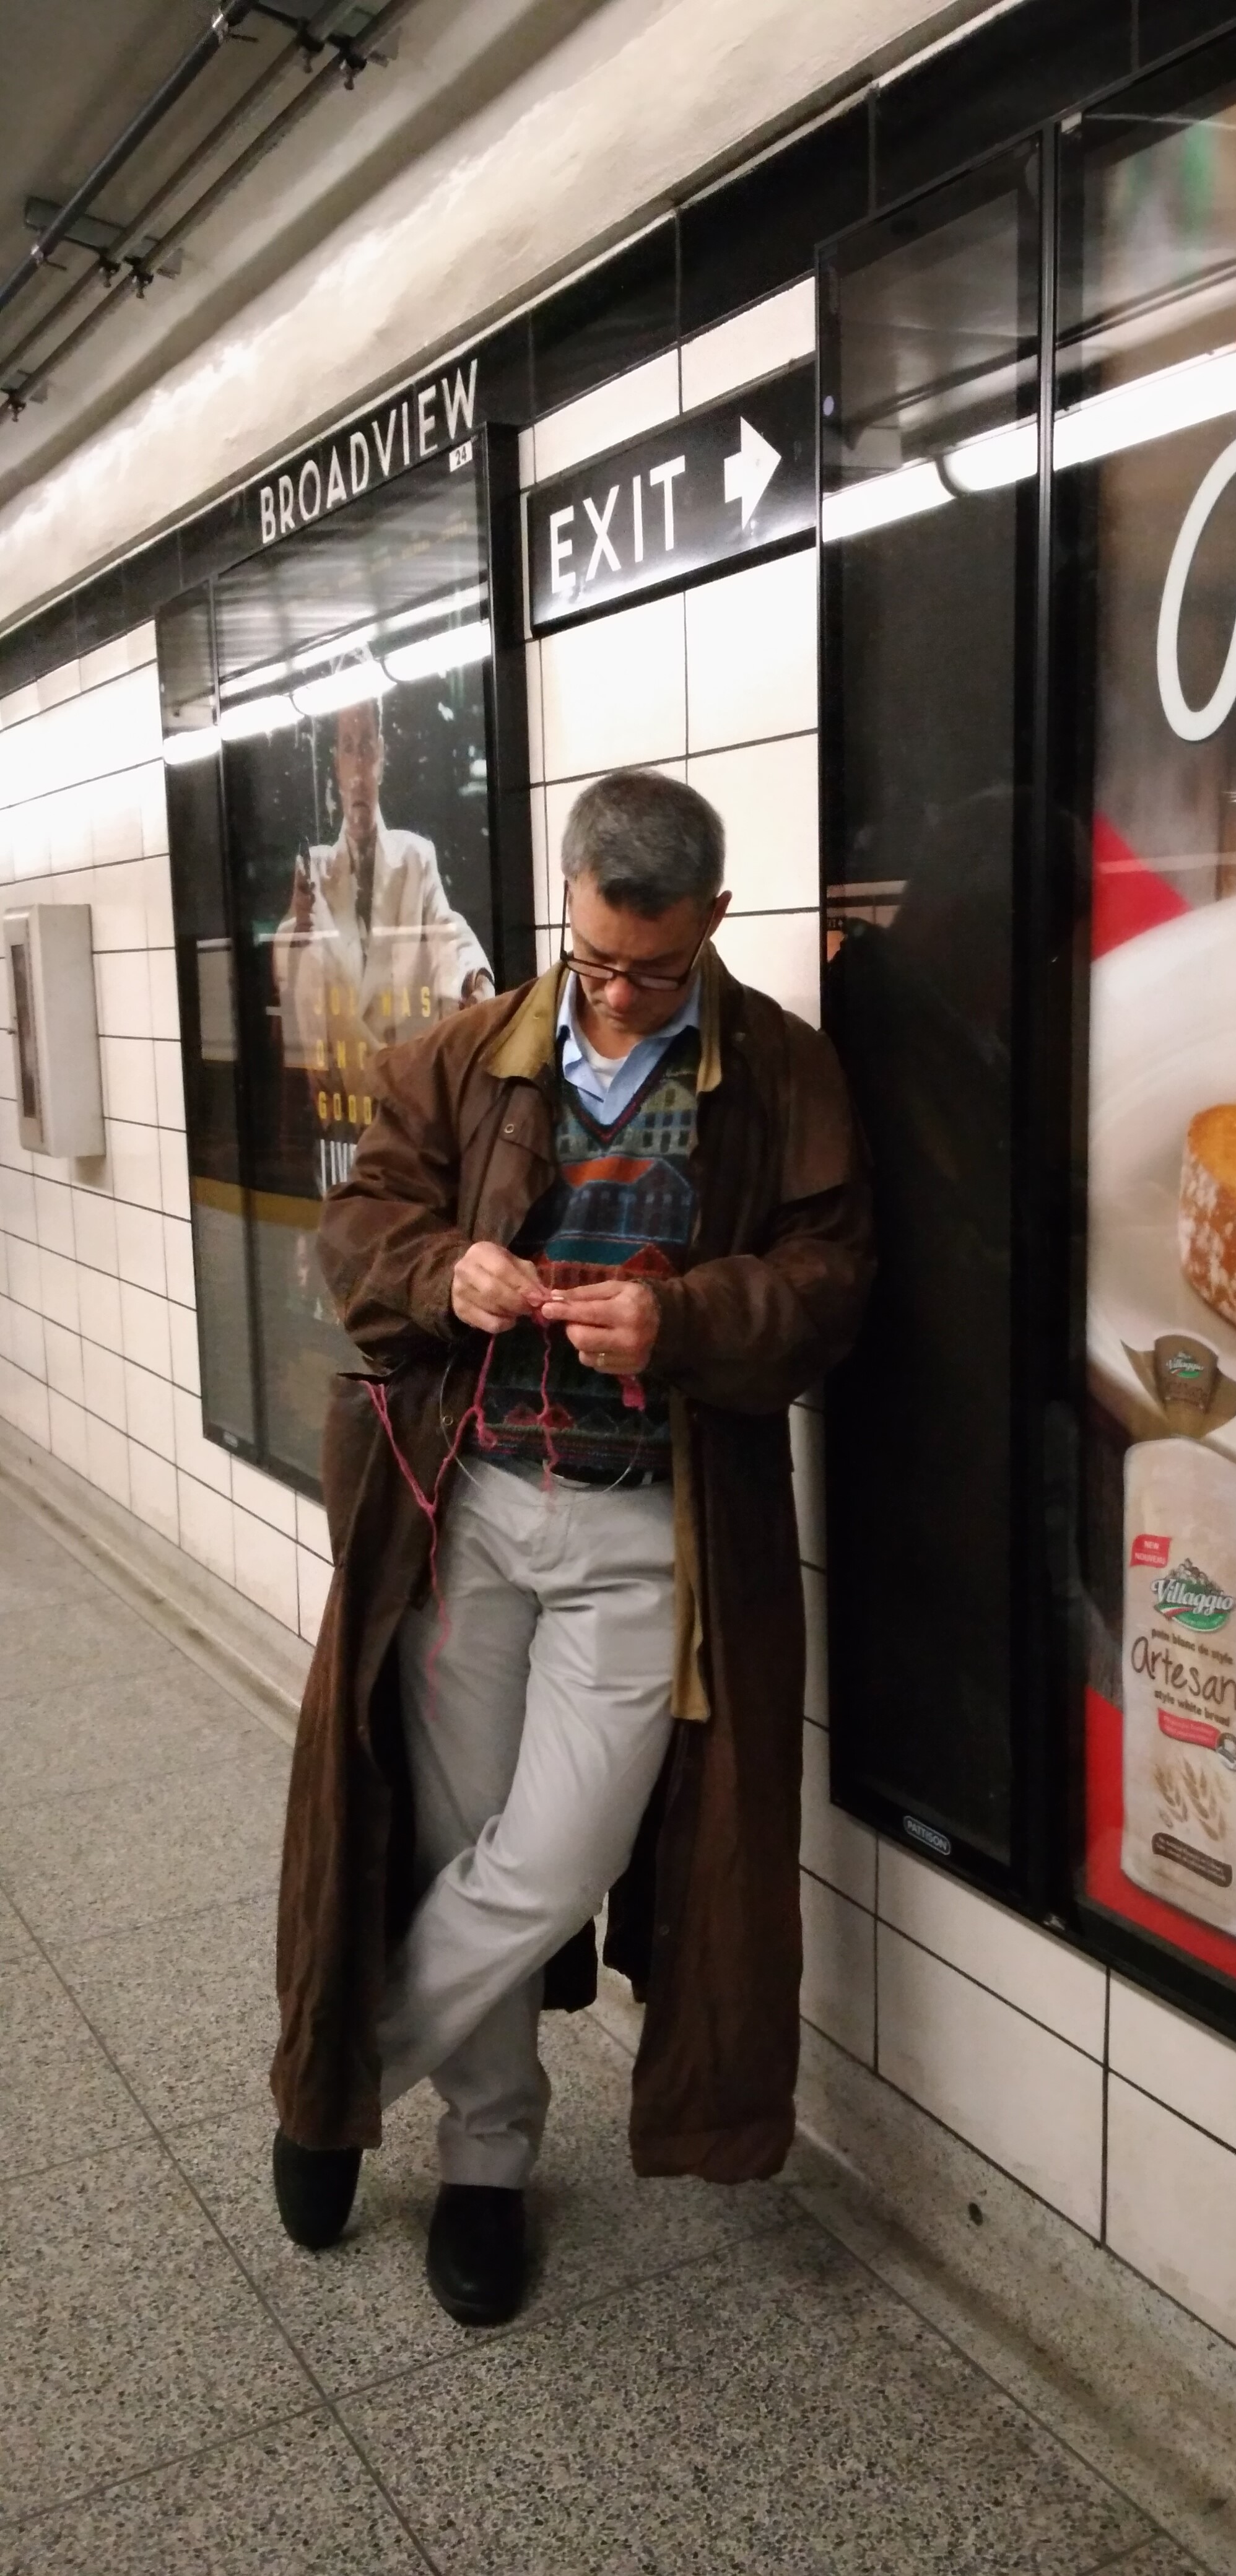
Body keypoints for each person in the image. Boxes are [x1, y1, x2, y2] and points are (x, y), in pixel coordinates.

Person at [269, 767, 873, 2328]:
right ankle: (484, 2162)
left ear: (713, 926)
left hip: (643, 1535)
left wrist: (681, 1317)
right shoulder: (464, 1058)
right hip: (465, 1513)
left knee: (556, 1858)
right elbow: (357, 1234)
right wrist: (436, 1271)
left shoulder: (784, 1076)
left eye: (653, 971)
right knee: (464, 1831)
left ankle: (338, 2079)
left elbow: (827, 1286)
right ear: (567, 908)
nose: (616, 996)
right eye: (594, 959)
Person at [272, 693, 492, 1098]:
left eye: (367, 747)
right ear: (336, 761)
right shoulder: (317, 870)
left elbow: (446, 927)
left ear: (382, 759)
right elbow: (292, 966)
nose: (358, 767)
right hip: (346, 1092)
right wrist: (302, 926)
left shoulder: (414, 857)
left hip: (407, 1086)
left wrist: (472, 978)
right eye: (349, 748)